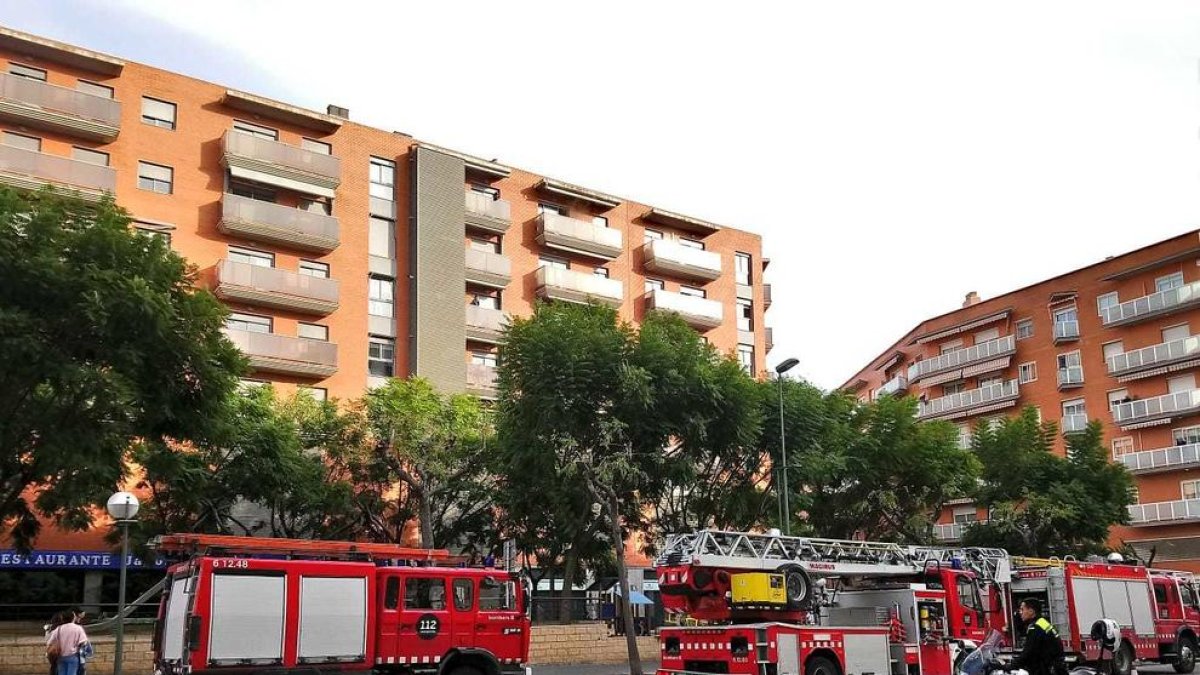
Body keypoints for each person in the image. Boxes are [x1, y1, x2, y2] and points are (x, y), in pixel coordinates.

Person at [1007, 599, 1067, 675]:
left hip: (1048, 670)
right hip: (1055, 668)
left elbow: (1028, 653)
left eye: (1022, 609)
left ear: (1031, 611)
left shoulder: (1035, 627)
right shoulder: (1042, 623)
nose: (1020, 612)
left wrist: (1009, 666)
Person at [46, 609, 89, 675]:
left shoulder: (59, 629)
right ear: (73, 618)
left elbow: (49, 642)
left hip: (60, 656)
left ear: (63, 619)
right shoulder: (78, 628)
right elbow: (84, 642)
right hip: (73, 656)